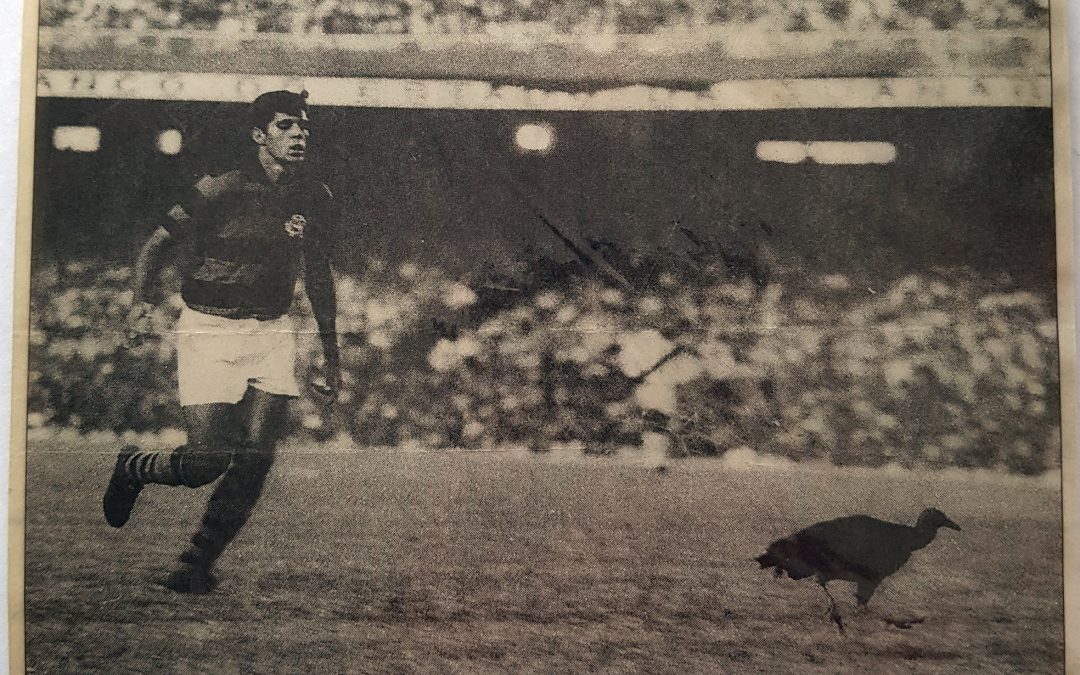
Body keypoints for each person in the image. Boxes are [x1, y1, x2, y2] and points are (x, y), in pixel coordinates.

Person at [102, 90, 341, 594]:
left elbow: (320, 277)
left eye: (304, 127)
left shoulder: (314, 196)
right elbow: (156, 245)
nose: (299, 134)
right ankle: (133, 467)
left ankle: (196, 563)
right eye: (285, 126)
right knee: (204, 463)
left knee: (257, 456)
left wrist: (331, 352)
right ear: (259, 135)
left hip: (272, 331)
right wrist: (140, 303)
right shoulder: (220, 187)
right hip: (208, 329)